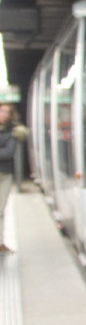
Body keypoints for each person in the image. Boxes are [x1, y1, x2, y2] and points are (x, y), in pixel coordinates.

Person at [0, 104, 24, 253]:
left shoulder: (14, 132)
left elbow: (9, 152)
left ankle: (0, 242)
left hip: (4, 175)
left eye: (6, 112)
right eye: (1, 111)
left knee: (0, 209)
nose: (3, 114)